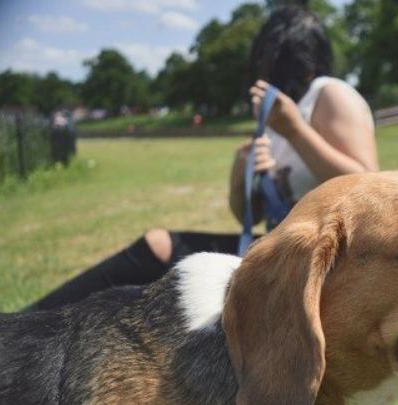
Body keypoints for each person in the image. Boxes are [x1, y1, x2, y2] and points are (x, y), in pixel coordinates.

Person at [31, 5, 377, 310]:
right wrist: (240, 171)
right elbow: (249, 215)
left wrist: (295, 132)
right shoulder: (280, 115)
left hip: (327, 266)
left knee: (165, 252)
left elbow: (368, 189)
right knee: (161, 246)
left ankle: (30, 324)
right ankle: (31, 322)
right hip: (279, 253)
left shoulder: (329, 93)